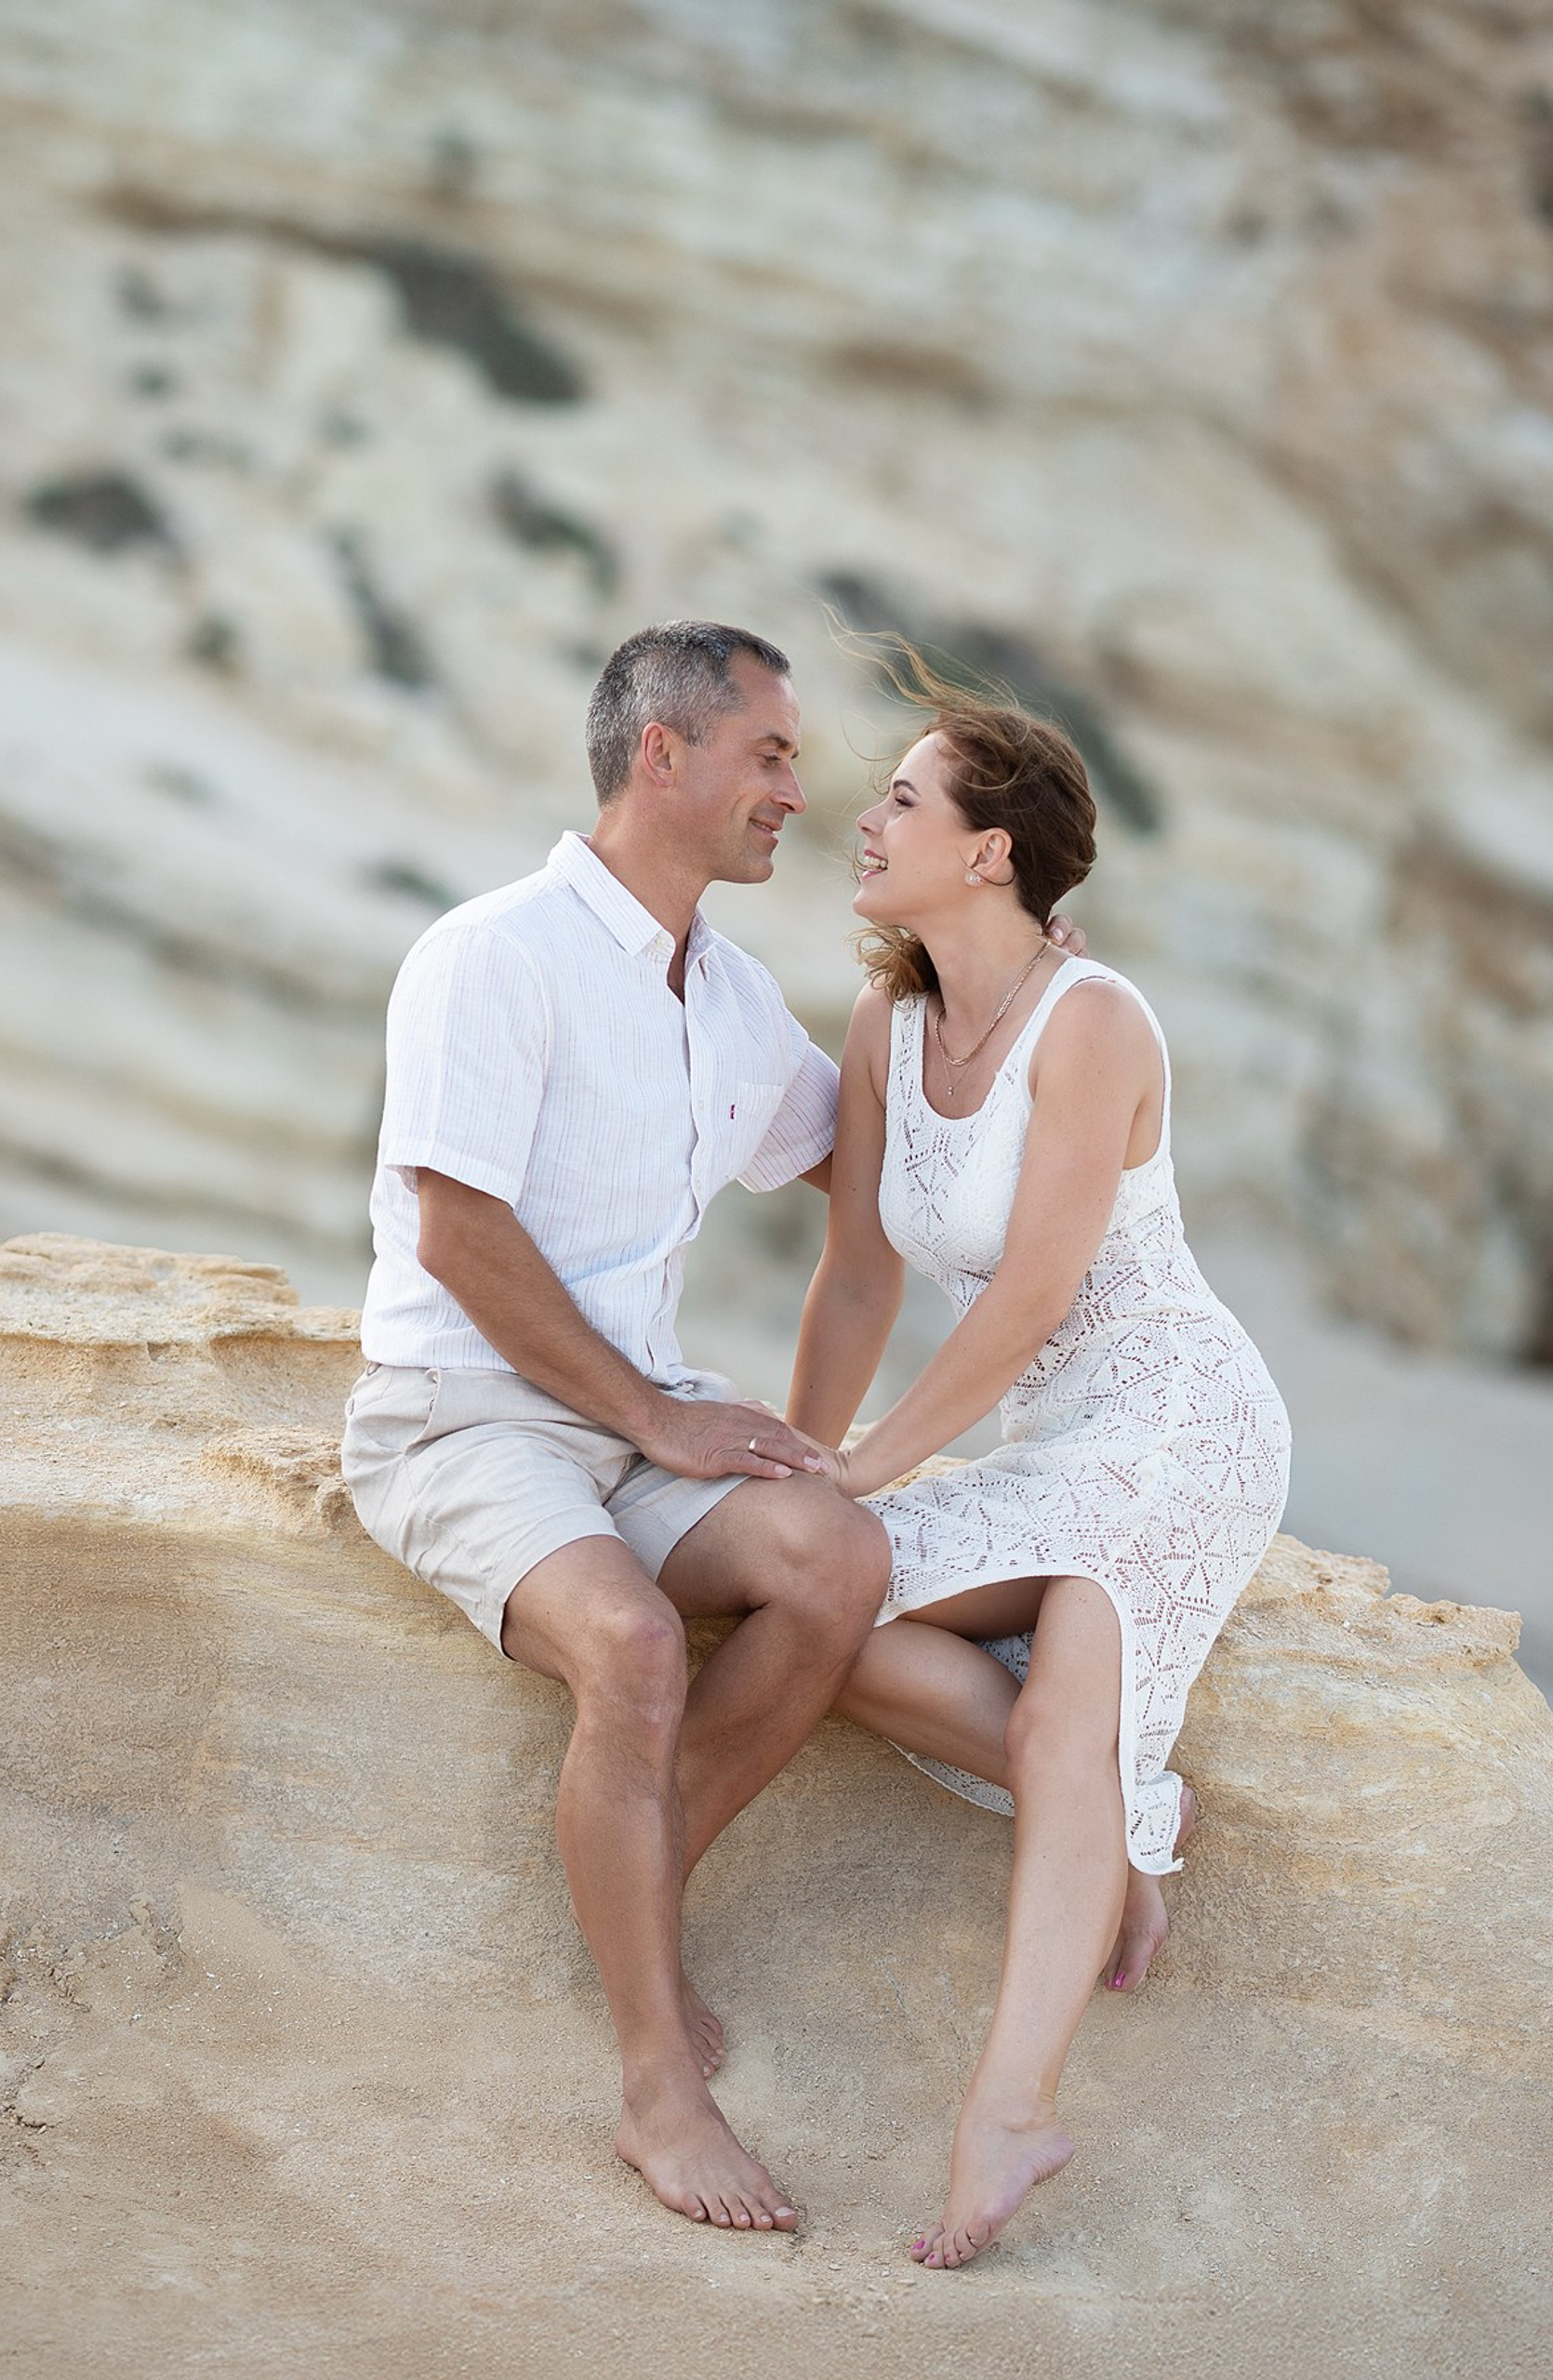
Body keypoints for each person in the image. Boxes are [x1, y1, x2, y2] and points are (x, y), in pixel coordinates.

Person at [341, 620, 1075, 2233]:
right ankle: (657, 2086)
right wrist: (652, 1415)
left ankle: (641, 1880)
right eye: (771, 755)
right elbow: (459, 1236)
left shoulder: (731, 999)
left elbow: (879, 1181)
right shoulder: (493, 954)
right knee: (635, 1649)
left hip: (627, 1426)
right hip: (462, 1417)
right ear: (659, 753)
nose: (797, 796)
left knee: (834, 1554)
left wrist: (1050, 1073)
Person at [788, 650, 1291, 2268]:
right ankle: (1120, 1821)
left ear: (990, 849)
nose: (864, 818)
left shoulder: (1098, 1022)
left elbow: (1037, 1294)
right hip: (1045, 1436)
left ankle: (1012, 2105)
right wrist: (810, 1473)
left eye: (904, 798)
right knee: (831, 1621)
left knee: (1077, 1680)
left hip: (1180, 1417)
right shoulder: (886, 1016)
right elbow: (859, 1270)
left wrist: (874, 1467)